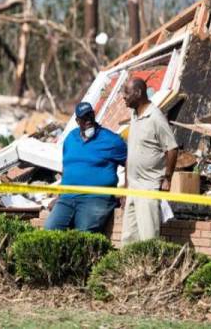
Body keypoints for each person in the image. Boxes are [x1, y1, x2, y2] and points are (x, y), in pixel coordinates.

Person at [45, 102, 127, 233]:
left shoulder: (111, 140)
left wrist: (126, 192)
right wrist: (60, 197)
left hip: (96, 198)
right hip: (67, 198)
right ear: (77, 121)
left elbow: (130, 162)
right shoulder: (70, 138)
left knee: (84, 234)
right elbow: (66, 168)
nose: (88, 120)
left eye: (90, 115)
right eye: (84, 117)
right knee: (50, 230)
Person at [120, 78, 178, 245]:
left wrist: (167, 178)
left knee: (148, 239)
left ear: (138, 93)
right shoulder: (134, 115)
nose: (124, 97)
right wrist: (126, 187)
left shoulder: (156, 118)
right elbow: (131, 154)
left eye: (127, 93)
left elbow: (172, 149)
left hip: (148, 187)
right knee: (128, 239)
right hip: (133, 188)